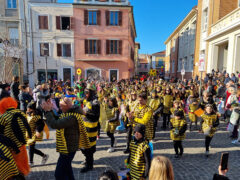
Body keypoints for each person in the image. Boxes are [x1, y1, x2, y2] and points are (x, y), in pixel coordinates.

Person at [41, 97, 90, 180]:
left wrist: (48, 111)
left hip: (68, 149)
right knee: (67, 170)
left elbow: (56, 124)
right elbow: (58, 118)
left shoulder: (72, 117)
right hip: (67, 147)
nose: (60, 108)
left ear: (67, 105)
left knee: (59, 174)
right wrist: (50, 109)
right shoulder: (69, 113)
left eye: (61, 106)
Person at [0, 97, 32, 177]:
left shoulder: (4, 117)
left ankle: (17, 176)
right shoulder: (21, 113)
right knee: (22, 161)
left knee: (14, 163)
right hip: (22, 142)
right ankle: (23, 173)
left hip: (11, 145)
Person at [81, 84, 100, 173]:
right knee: (84, 147)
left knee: (89, 148)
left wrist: (85, 114)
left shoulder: (95, 103)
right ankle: (88, 160)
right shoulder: (87, 100)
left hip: (91, 129)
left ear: (91, 93)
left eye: (87, 92)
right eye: (85, 92)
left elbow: (96, 117)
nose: (85, 94)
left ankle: (89, 165)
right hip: (85, 128)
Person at [26, 101, 49, 167]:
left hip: (35, 133)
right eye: (27, 108)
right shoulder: (28, 113)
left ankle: (31, 162)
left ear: (32, 109)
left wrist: (38, 131)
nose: (28, 109)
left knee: (31, 147)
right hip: (29, 133)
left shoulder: (37, 115)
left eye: (29, 108)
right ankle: (44, 156)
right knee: (31, 148)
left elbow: (41, 124)